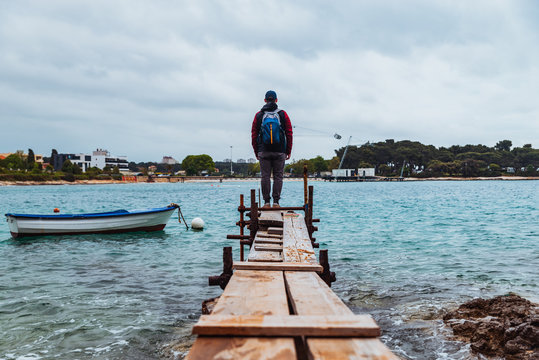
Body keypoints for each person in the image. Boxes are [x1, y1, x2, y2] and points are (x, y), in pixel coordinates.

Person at [251, 90, 293, 208]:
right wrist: (288, 150)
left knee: (265, 176)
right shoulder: (282, 114)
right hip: (280, 151)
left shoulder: (259, 115)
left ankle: (266, 202)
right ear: (276, 100)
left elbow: (254, 134)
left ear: (265, 100)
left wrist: (256, 151)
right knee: (278, 176)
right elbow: (289, 133)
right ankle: (276, 202)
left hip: (263, 150)